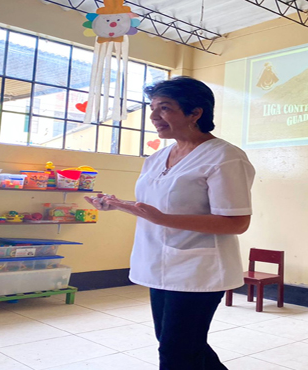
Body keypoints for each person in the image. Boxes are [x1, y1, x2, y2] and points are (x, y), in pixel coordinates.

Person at [86, 76, 255, 370]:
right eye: (153, 108)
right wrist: (118, 205)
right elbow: (157, 207)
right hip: (155, 263)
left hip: (198, 270)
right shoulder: (157, 157)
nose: (153, 116)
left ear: (195, 113)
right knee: (180, 344)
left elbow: (236, 222)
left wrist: (163, 219)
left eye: (164, 108)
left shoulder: (225, 157)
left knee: (177, 353)